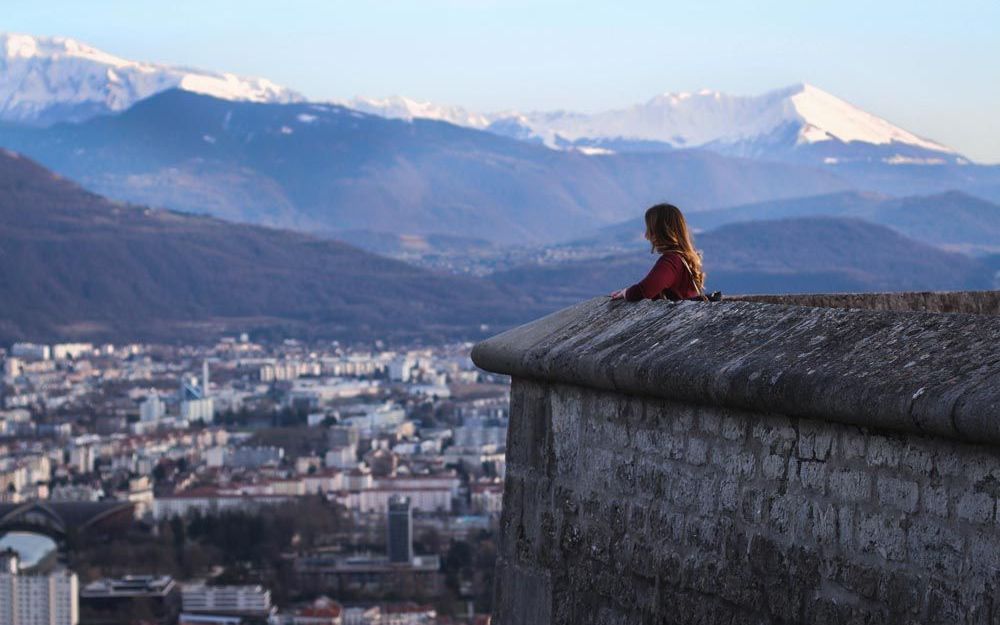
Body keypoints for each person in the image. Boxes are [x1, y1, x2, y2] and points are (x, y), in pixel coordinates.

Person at [610, 203, 705, 302]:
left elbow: (645, 291)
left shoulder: (672, 260)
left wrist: (626, 293)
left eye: (650, 230)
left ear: (661, 232)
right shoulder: (685, 256)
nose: (647, 235)